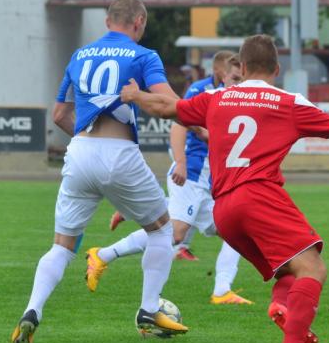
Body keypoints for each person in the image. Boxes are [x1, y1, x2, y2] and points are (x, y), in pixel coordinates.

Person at [119, 34, 329, 343]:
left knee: (290, 270)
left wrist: (136, 95)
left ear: (243, 66)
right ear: (277, 69)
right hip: (257, 196)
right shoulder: (287, 102)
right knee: (313, 269)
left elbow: (167, 107)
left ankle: (284, 306)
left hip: (224, 209)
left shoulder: (217, 98)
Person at [10, 0, 188, 343]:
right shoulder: (143, 55)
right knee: (162, 230)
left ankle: (32, 310)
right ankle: (149, 309)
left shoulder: (80, 55)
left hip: (79, 151)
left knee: (62, 246)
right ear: (139, 22)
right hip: (119, 153)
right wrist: (202, 121)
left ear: (108, 22)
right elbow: (171, 104)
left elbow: (59, 115)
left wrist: (88, 146)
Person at [91, 53, 252, 305]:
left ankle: (222, 291)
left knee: (236, 233)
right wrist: (181, 162)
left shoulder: (242, 101)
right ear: (222, 75)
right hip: (192, 175)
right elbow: (179, 123)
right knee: (176, 233)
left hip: (211, 183)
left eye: (242, 79)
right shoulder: (208, 95)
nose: (239, 83)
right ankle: (103, 255)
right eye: (235, 78)